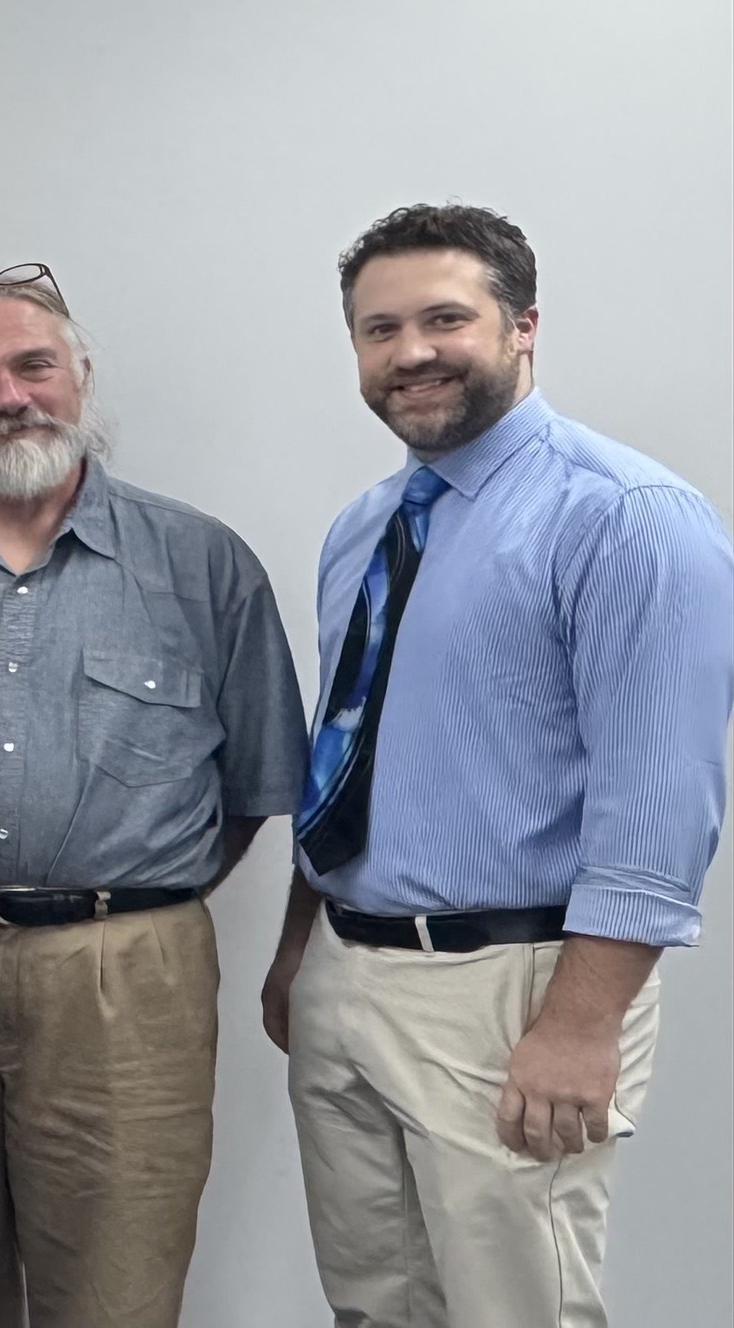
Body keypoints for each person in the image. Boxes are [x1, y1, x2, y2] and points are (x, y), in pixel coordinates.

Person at [262, 204, 734, 1328]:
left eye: (442, 318)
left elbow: (659, 801)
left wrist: (578, 1026)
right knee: (375, 1303)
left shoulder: (624, 516)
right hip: (345, 972)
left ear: (521, 325)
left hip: (511, 988)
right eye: (378, 330)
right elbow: (344, 750)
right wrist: (296, 949)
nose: (409, 351)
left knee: (512, 1309)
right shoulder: (362, 528)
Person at [0, 267, 308, 1328]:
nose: (8, 394)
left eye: (31, 365)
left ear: (79, 376)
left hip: (125, 972)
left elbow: (251, 789)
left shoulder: (199, 563)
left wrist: (114, 897)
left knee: (115, 1280)